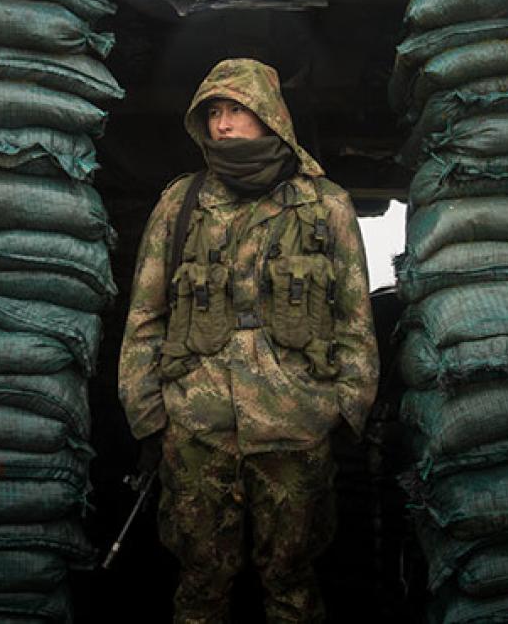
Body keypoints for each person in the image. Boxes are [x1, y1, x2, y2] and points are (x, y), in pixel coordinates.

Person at [118, 57, 379, 623]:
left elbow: (355, 317)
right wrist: (152, 416)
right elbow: (145, 313)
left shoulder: (324, 203)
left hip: (295, 427)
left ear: (270, 116)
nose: (224, 124)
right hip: (197, 428)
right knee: (199, 586)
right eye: (214, 112)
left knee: (291, 584)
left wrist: (342, 408)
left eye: (236, 109)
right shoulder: (180, 203)